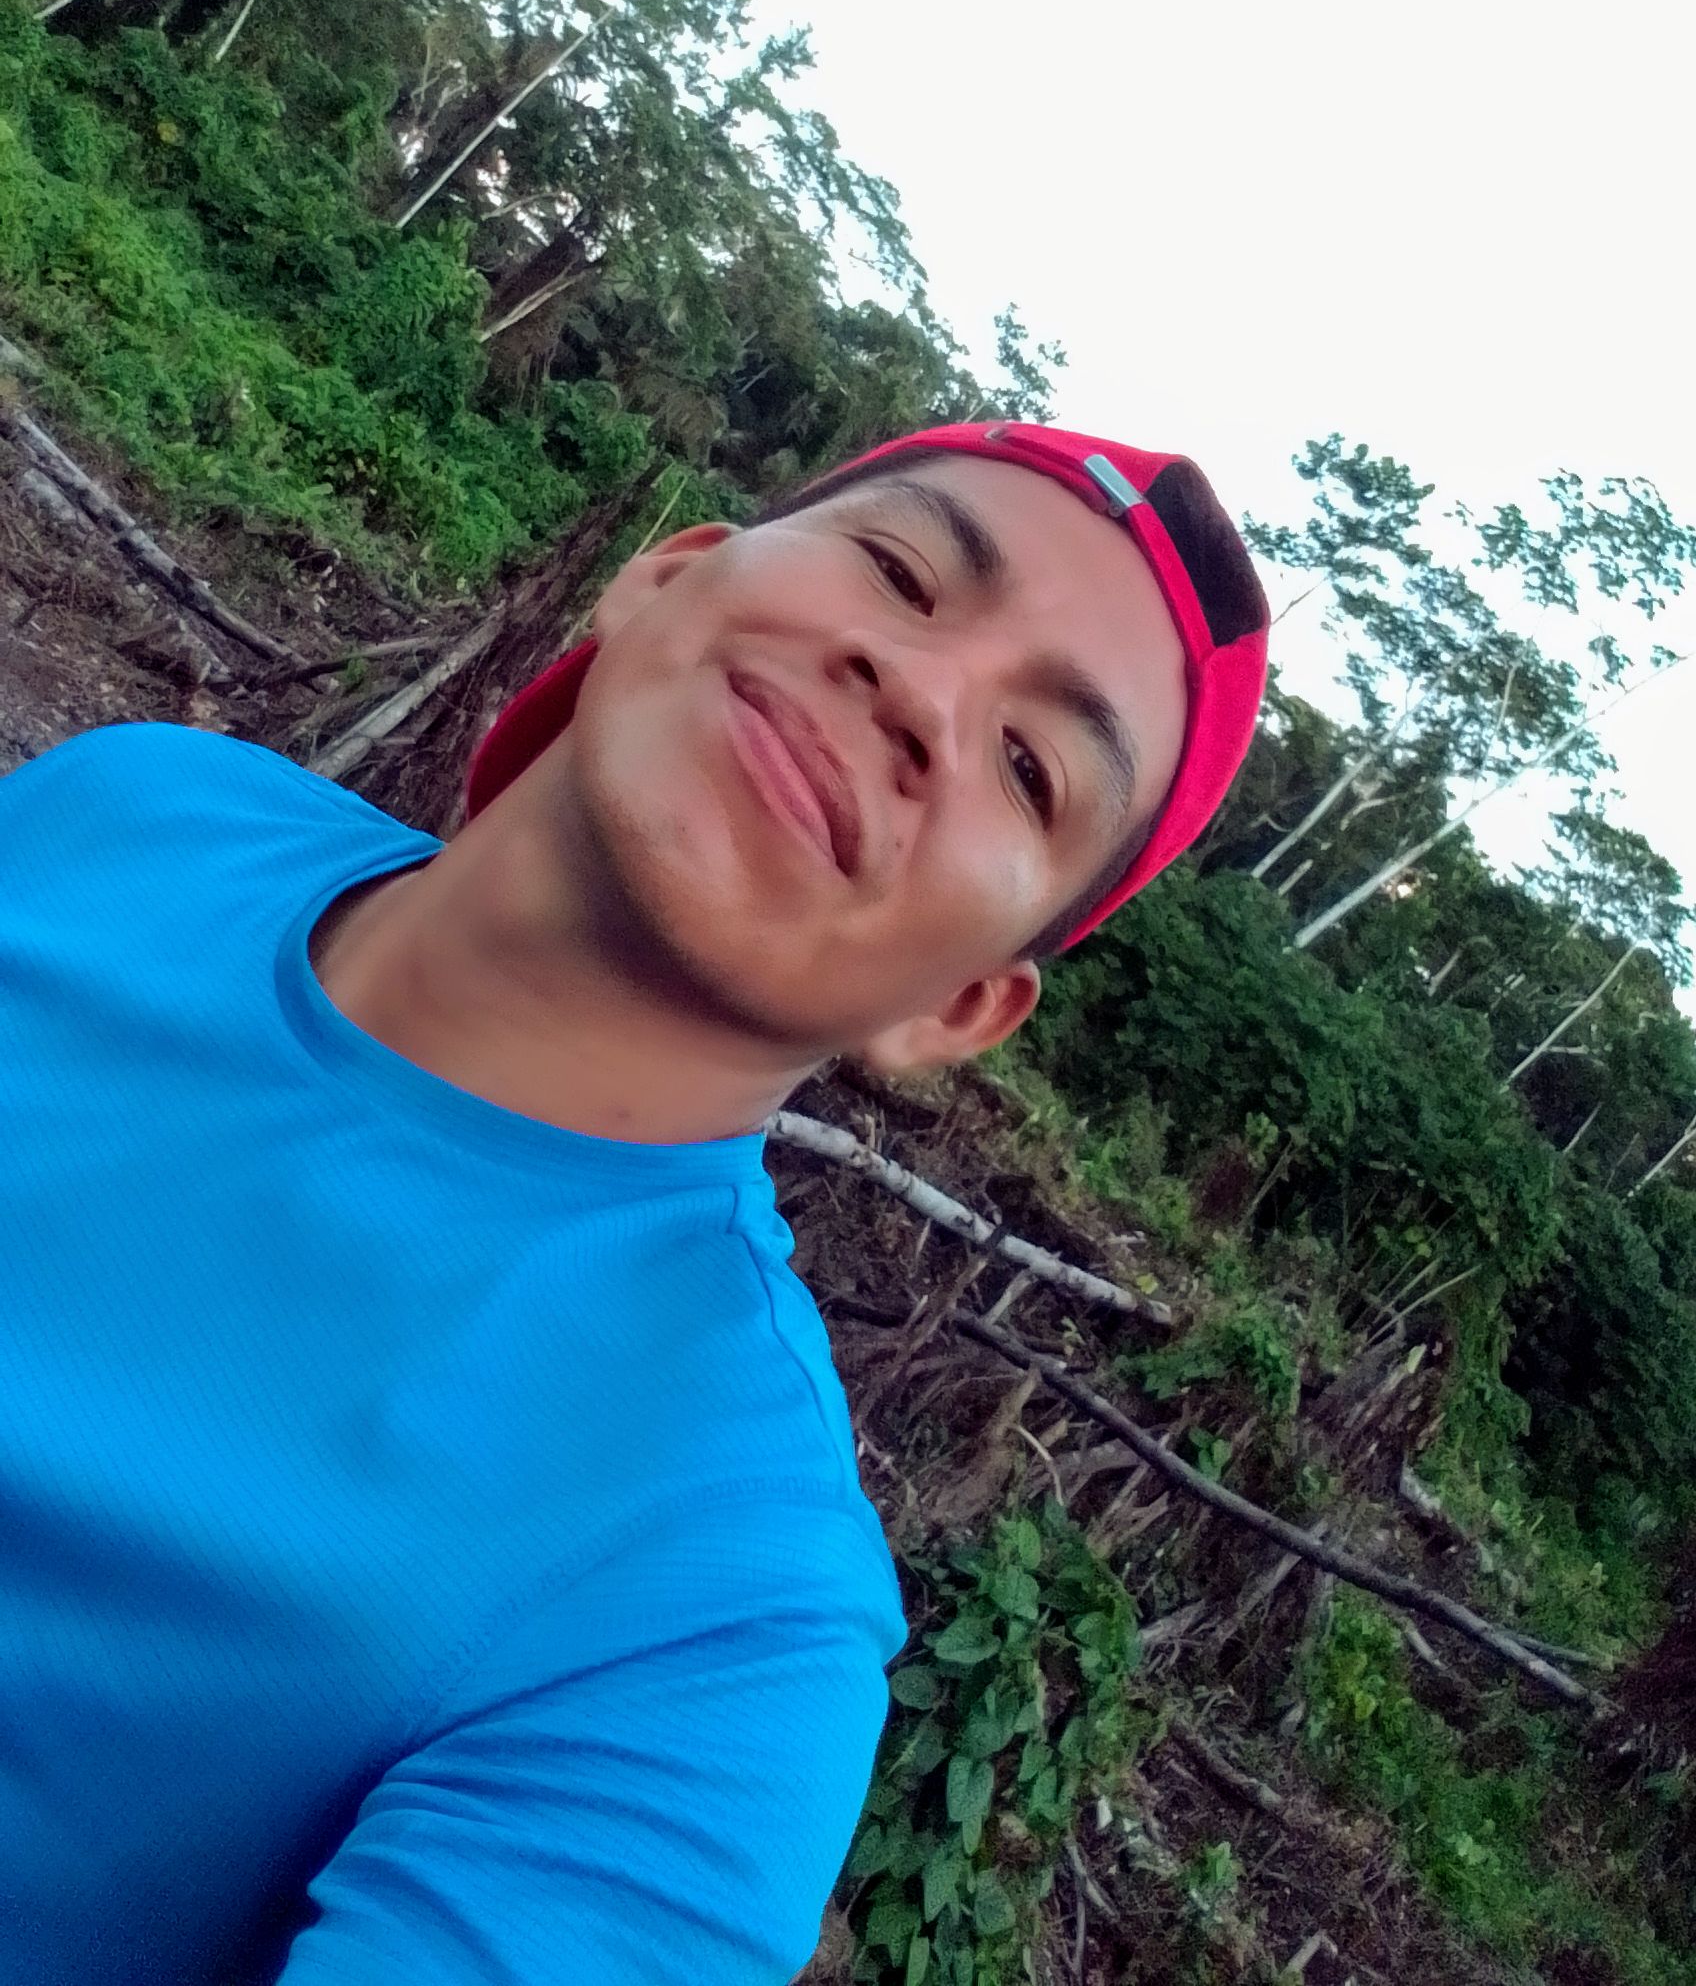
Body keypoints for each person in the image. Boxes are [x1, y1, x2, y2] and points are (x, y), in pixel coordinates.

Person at [0, 417, 1268, 1985]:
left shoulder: (717, 1619)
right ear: (663, 576)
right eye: (898, 571)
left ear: (956, 1010)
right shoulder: (144, 804)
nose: (922, 694)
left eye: (1029, 767)